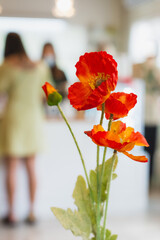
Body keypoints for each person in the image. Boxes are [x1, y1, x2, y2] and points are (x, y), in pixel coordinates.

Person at [0, 33, 52, 225]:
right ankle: (31, 212)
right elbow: (45, 93)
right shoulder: (40, 67)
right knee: (31, 167)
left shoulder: (6, 67)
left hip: (13, 119)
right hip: (34, 119)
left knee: (12, 168)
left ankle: (12, 214)